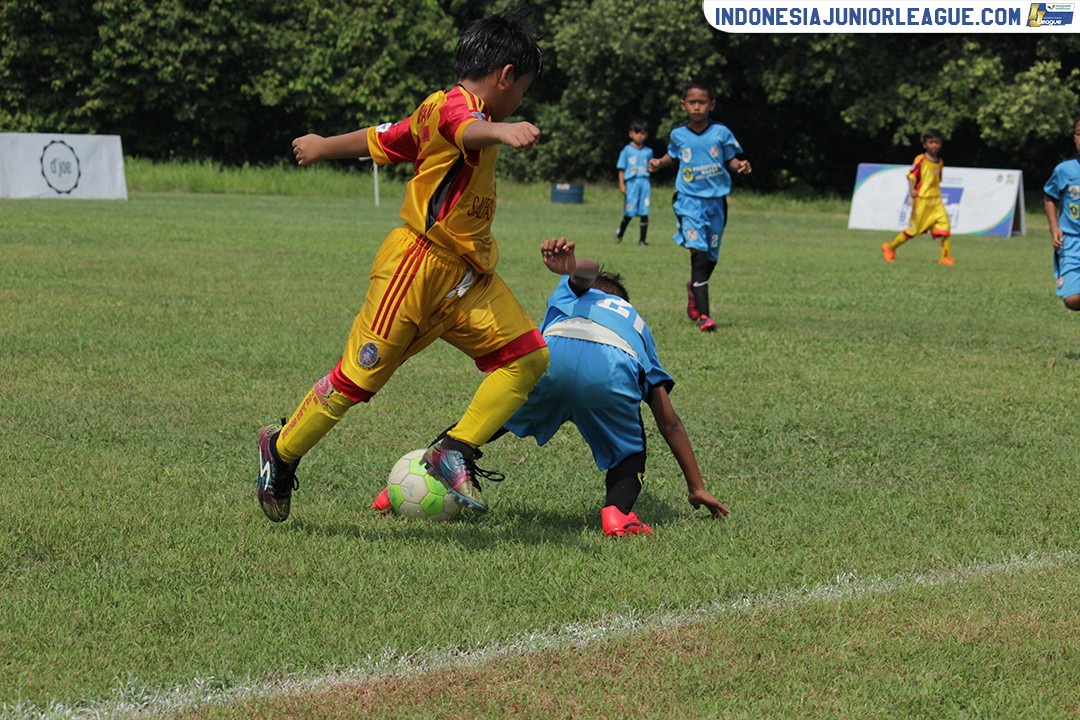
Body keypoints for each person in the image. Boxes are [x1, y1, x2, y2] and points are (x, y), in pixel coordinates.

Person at [257, 8, 549, 522]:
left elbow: (382, 139)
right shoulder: (457, 108)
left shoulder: (437, 113)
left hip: (467, 278)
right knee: (356, 381)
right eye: (521, 87)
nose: (519, 100)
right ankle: (279, 452)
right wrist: (504, 133)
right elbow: (468, 130)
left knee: (527, 357)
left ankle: (454, 449)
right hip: (414, 269)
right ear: (506, 76)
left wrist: (325, 145)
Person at [470, 237, 730, 535]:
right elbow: (669, 422)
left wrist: (571, 266)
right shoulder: (637, 325)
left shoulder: (572, 293)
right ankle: (618, 514)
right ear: (624, 303)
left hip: (554, 359)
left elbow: (587, 270)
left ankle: (444, 454)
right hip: (612, 369)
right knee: (630, 453)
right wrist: (696, 487)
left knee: (496, 412)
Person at [648, 80, 751, 333]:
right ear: (684, 105)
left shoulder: (721, 133)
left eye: (702, 102)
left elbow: (731, 160)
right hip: (688, 202)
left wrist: (741, 166)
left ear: (711, 104)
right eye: (692, 102)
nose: (697, 107)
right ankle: (705, 316)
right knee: (700, 256)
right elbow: (672, 155)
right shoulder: (678, 135)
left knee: (711, 258)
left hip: (716, 203)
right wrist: (659, 163)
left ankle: (694, 288)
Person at [881, 128, 954, 265]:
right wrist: (912, 189)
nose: (934, 145)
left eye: (937, 142)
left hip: (936, 200)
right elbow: (912, 175)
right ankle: (889, 247)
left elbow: (937, 180)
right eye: (931, 142)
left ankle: (945, 257)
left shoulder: (940, 162)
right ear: (925, 145)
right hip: (922, 200)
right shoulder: (921, 159)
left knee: (945, 227)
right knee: (912, 230)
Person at [1043, 110, 1080, 312]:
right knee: (1072, 299)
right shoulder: (1065, 170)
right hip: (1071, 240)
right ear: (1074, 138)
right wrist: (1054, 227)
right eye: (1079, 133)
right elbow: (1050, 197)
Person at [615, 118, 654, 246]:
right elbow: (621, 168)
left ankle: (642, 240)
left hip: (644, 183)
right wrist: (622, 184)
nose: (641, 136)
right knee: (629, 212)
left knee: (644, 211)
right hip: (631, 183)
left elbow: (651, 167)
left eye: (643, 133)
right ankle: (620, 234)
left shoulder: (648, 151)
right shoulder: (627, 150)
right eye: (638, 133)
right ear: (631, 134)